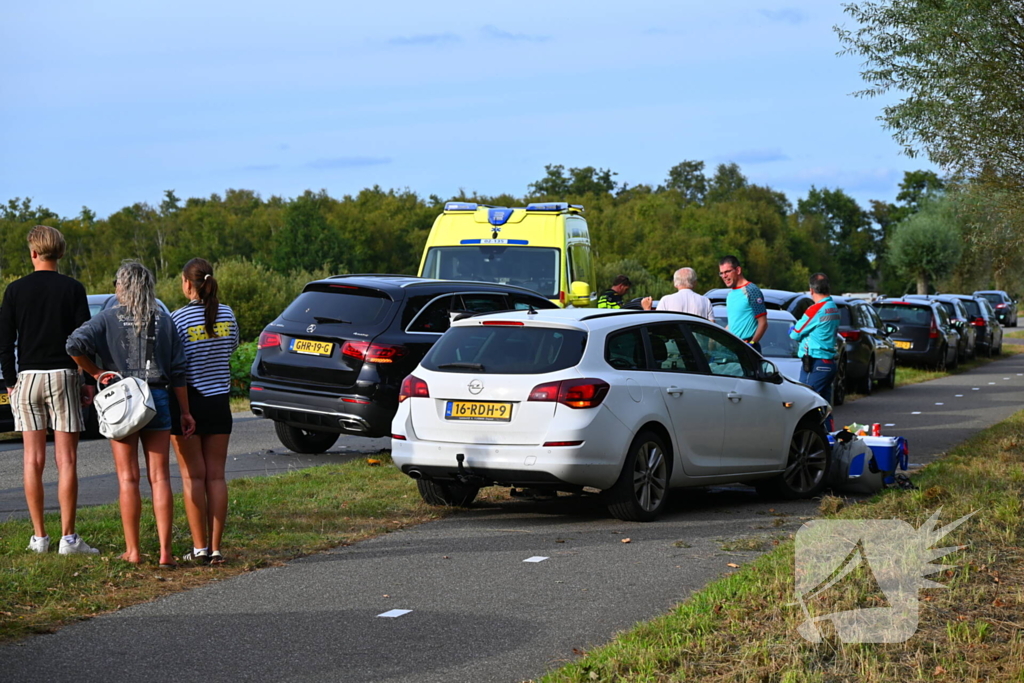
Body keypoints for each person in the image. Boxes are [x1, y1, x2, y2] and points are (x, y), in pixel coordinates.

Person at [67, 260, 195, 567]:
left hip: (122, 400)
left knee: (128, 478)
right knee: (160, 477)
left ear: (121, 287)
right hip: (157, 398)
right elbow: (179, 370)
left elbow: (73, 344)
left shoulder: (107, 317)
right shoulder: (164, 320)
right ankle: (165, 553)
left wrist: (97, 373)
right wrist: (185, 411)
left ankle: (134, 551)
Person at [0, 225, 98, 555]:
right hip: (64, 375)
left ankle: (39, 538)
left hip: (28, 377)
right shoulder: (73, 288)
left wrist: (11, 381)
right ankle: (68, 539)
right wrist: (88, 380)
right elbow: (84, 340)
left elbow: (5, 343)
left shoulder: (15, 290)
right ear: (61, 253)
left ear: (33, 253)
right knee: (66, 459)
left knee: (33, 459)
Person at [169, 259, 239, 565]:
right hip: (219, 402)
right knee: (216, 477)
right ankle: (216, 549)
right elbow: (232, 347)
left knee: (192, 478)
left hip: (189, 403)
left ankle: (199, 549)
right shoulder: (228, 314)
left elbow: (176, 365)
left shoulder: (178, 319)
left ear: (187, 283)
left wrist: (183, 409)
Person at [789, 273, 841, 427]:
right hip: (828, 363)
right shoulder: (833, 308)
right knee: (824, 408)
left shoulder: (816, 309)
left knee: (805, 404)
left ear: (811, 290)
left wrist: (793, 329)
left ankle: (807, 437)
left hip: (815, 363)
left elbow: (795, 333)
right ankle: (828, 436)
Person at [718, 256, 767, 352]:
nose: (724, 276)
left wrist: (751, 344)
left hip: (747, 348)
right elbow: (733, 324)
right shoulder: (730, 294)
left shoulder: (751, 291)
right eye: (721, 273)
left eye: (727, 272)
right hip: (732, 349)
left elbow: (763, 323)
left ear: (738, 270)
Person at [640, 267, 715, 321]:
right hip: (698, 339)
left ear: (675, 283)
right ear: (695, 282)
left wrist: (647, 309)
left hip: (674, 339)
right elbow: (712, 326)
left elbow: (655, 324)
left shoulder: (666, 300)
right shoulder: (705, 301)